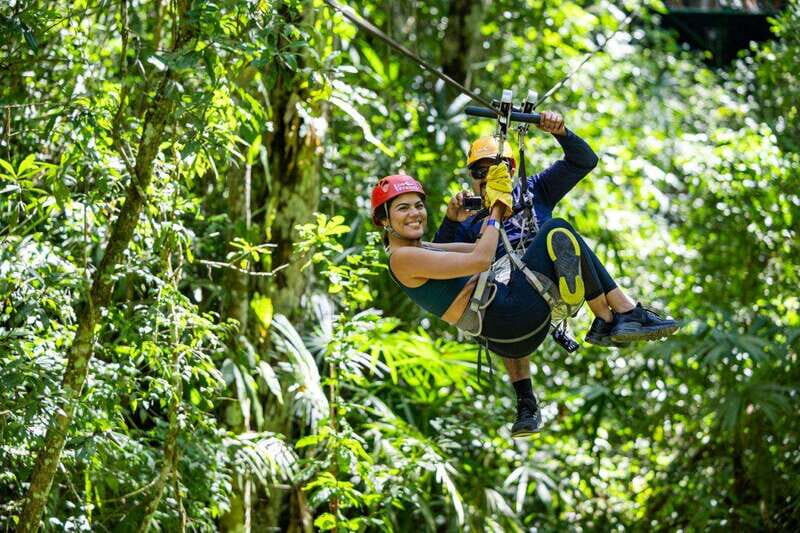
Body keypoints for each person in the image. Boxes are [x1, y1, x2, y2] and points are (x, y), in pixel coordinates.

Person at [372, 169, 679, 438]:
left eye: (418, 205)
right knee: (557, 229)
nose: (415, 213)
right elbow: (480, 260)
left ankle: (610, 320)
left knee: (552, 241)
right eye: (402, 208)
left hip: (506, 336)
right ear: (384, 220)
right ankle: (616, 315)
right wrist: (495, 211)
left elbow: (486, 251)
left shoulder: (423, 248)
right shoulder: (402, 259)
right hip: (508, 316)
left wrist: (486, 219)